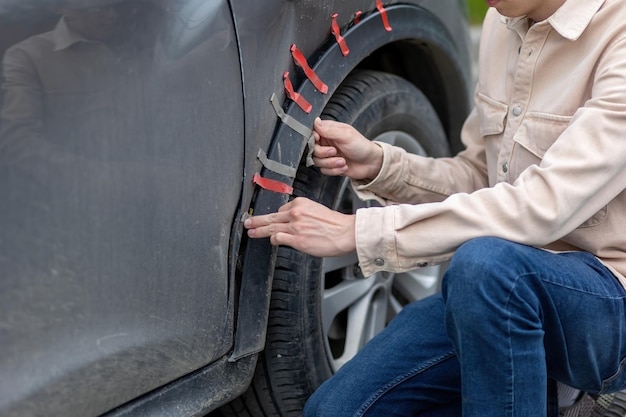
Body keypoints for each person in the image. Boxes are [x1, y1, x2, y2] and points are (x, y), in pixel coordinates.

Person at [244, 0, 626, 415]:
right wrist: (382, 164)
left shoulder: (618, 34)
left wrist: (360, 232)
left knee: (485, 268)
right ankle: (548, 396)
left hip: (604, 300)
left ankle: (570, 393)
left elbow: (541, 206)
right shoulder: (504, 24)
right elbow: (481, 178)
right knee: (335, 411)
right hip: (494, 301)